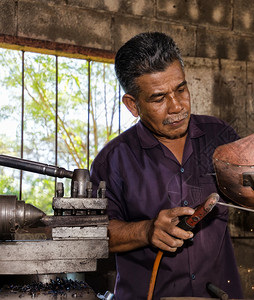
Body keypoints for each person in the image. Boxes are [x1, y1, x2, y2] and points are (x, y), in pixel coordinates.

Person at [90, 32, 243, 299]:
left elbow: (252, 190)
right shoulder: (112, 161)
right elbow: (92, 235)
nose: (177, 107)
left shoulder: (220, 135)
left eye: (181, 89)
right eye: (159, 98)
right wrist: (146, 230)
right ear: (133, 105)